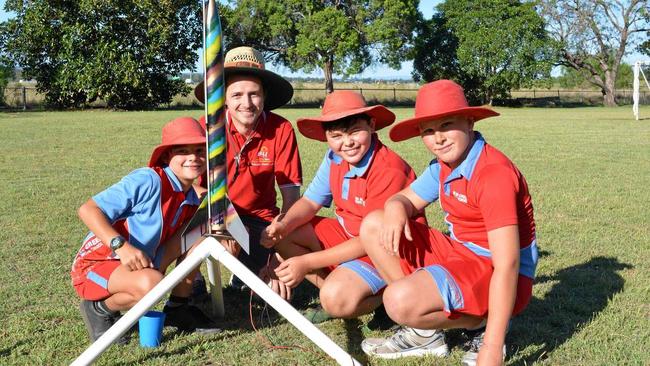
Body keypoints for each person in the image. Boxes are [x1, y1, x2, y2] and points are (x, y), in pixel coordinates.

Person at [358, 80, 538, 366]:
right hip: (461, 254)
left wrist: (492, 347)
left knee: (397, 301)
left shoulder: (492, 175)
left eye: (446, 125)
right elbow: (405, 199)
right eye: (428, 131)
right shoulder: (443, 167)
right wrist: (394, 206)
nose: (438, 138)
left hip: (498, 271)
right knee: (374, 224)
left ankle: (484, 327)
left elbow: (508, 264)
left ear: (469, 122)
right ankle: (424, 332)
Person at [260, 90, 425, 320]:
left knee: (334, 299)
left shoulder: (388, 170)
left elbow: (372, 240)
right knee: (285, 233)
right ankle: (343, 289)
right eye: (336, 135)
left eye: (355, 131)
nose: (346, 143)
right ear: (326, 136)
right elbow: (309, 201)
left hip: (388, 252)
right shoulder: (334, 157)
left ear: (372, 125)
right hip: (350, 237)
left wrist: (306, 262)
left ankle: (387, 297)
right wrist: (283, 224)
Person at [70, 117, 221, 344]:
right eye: (183, 150)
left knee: (202, 233)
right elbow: (88, 210)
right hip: (98, 264)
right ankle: (99, 308)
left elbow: (205, 200)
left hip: (143, 261)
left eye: (200, 150)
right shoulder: (148, 180)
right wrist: (121, 246)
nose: (193, 157)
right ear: (167, 156)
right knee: (152, 284)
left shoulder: (189, 194)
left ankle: (178, 307)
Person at [194, 46, 302, 296]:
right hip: (214, 212)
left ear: (264, 96)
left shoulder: (281, 129)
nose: (247, 103)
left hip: (261, 223)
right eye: (237, 95)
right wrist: (226, 221)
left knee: (276, 288)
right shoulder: (207, 128)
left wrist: (280, 243)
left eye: (254, 94)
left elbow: (291, 195)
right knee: (179, 218)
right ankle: (191, 280)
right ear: (223, 97)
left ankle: (247, 271)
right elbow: (190, 188)